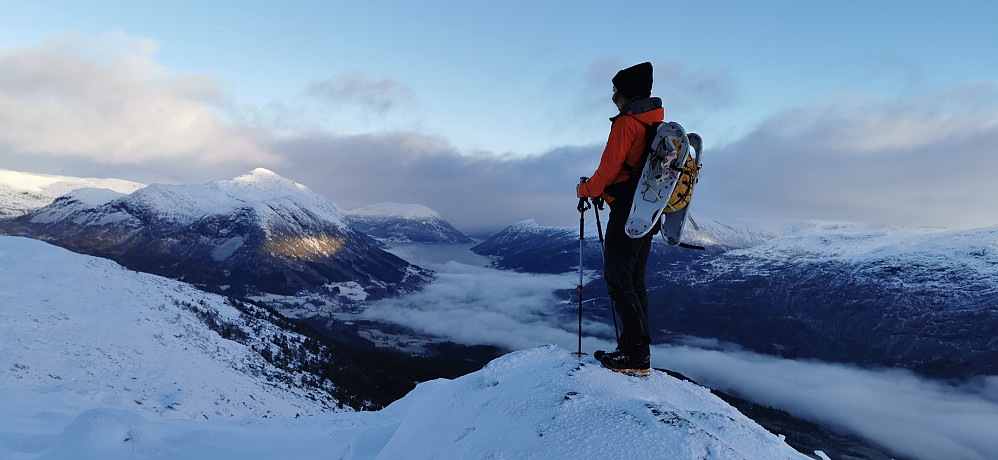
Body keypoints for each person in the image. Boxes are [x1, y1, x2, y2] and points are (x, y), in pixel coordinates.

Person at [576, 62, 663, 373]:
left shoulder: (627, 124)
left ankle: (636, 356)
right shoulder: (653, 121)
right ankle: (633, 350)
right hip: (648, 210)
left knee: (618, 282)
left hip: (626, 210)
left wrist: (585, 190)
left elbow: (609, 170)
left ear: (628, 92)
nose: (613, 95)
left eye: (615, 90)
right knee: (634, 281)